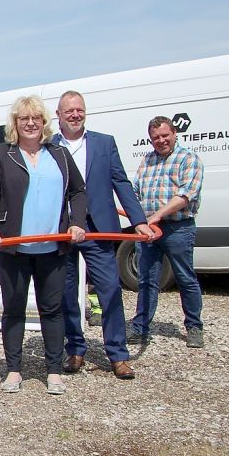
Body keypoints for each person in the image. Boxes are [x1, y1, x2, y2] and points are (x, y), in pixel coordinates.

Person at [0, 95, 87, 395]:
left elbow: (78, 191)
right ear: (15, 123)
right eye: (24, 118)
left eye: (36, 118)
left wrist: (77, 222)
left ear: (44, 122)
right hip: (13, 249)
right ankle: (14, 370)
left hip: (52, 248)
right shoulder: (3, 154)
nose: (30, 123)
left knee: (52, 310)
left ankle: (54, 371)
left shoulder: (60, 155)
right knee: (13, 309)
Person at [53, 91, 155, 379]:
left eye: (79, 110)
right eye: (69, 110)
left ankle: (118, 354)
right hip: (63, 230)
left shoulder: (104, 143)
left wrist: (138, 221)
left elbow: (121, 182)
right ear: (58, 115)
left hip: (99, 228)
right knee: (67, 293)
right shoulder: (50, 146)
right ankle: (74, 349)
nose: (75, 115)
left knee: (110, 290)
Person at [129, 116, 205, 348]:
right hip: (148, 229)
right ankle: (140, 326)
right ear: (150, 140)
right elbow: (135, 190)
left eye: (164, 135)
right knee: (147, 280)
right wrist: (135, 215)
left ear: (174, 133)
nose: (161, 140)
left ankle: (194, 327)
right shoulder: (148, 159)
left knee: (185, 277)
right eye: (155, 138)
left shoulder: (188, 159)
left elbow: (185, 196)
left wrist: (157, 215)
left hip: (177, 228)